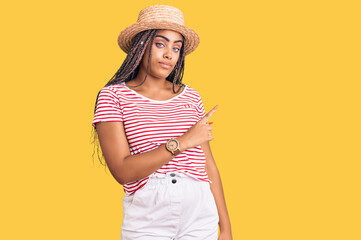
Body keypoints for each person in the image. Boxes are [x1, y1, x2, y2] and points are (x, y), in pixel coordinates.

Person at [91, 5, 232, 240]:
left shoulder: (191, 96)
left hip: (200, 210)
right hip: (149, 215)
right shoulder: (113, 96)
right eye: (160, 44)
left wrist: (225, 229)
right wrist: (182, 142)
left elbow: (209, 166)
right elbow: (123, 171)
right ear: (140, 46)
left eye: (176, 48)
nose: (169, 54)